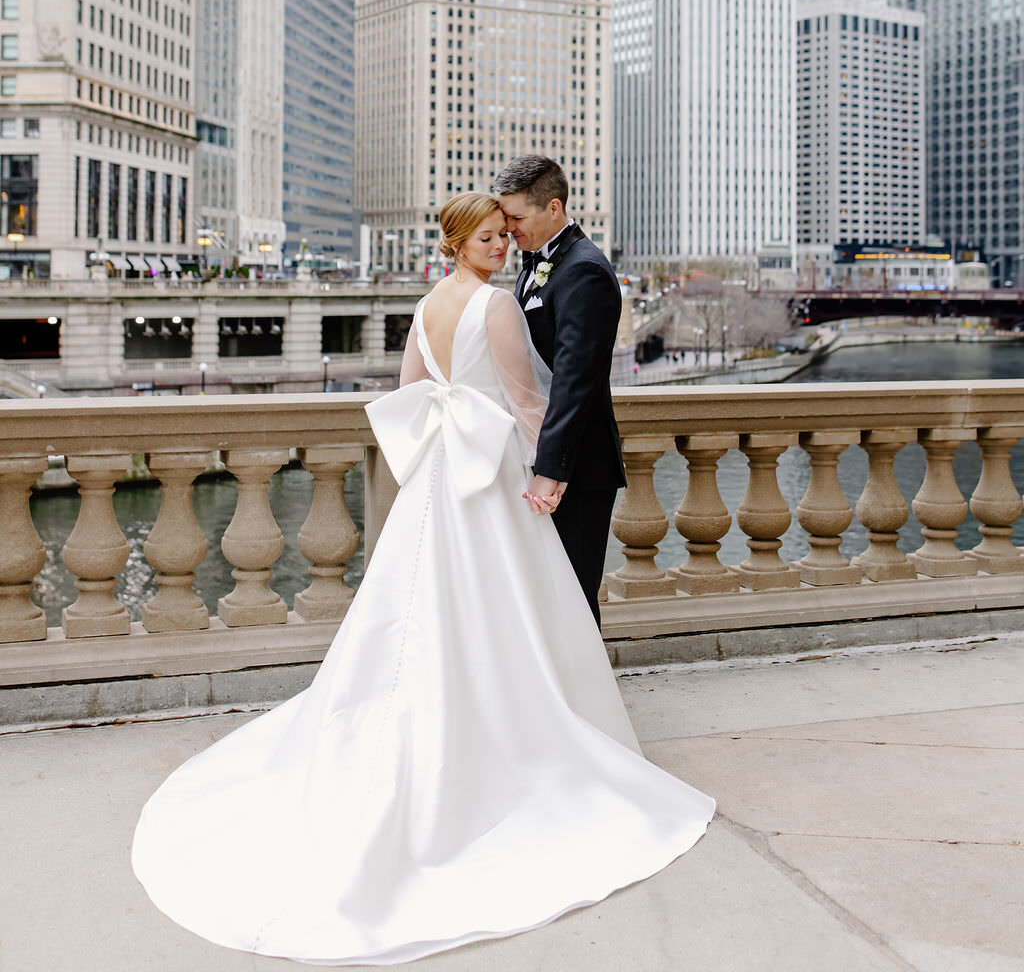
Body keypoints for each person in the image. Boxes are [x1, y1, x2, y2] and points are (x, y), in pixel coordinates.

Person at [132, 192, 714, 965]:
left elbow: (407, 394)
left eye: (506, 236)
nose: (503, 247)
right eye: (489, 238)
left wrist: (450, 426)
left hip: (438, 477)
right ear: (458, 243)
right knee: (499, 611)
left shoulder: (424, 305)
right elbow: (528, 400)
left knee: (419, 611)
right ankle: (507, 737)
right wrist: (552, 473)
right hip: (491, 478)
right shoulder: (495, 309)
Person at [494, 154, 625, 623]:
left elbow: (576, 380)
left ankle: (585, 694)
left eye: (516, 217)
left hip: (577, 464)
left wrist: (550, 470)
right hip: (536, 452)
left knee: (572, 592)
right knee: (540, 593)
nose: (507, 228)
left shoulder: (585, 269)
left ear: (553, 208)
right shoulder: (536, 261)